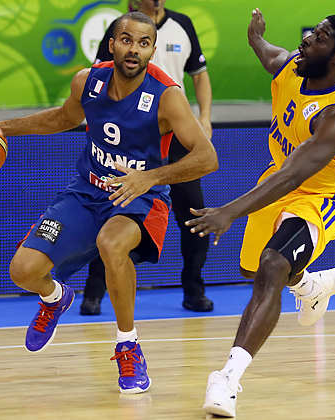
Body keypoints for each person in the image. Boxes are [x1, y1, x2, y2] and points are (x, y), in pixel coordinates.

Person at [0, 11, 217, 394]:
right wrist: (0, 128)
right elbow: (62, 118)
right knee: (23, 271)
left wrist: (149, 178)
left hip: (139, 198)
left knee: (111, 244)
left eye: (144, 43)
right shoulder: (87, 81)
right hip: (87, 191)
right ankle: (55, 298)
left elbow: (207, 157)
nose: (134, 49)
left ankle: (128, 346)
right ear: (112, 45)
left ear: (152, 50)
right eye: (127, 40)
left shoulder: (167, 96)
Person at [186, 9, 335, 417]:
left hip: (320, 196)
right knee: (254, 271)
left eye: (320, 37)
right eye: (313, 31)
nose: (308, 39)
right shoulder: (292, 67)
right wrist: (256, 36)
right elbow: (269, 54)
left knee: (272, 266)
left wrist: (228, 212)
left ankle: (227, 378)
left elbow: (294, 176)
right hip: (279, 179)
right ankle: (310, 285)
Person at [80, 0, 215, 316]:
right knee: (111, 209)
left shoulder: (183, 24)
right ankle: (94, 292)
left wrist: (205, 117)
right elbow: (98, 78)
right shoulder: (121, 29)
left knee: (194, 213)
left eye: (143, 43)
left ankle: (194, 289)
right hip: (130, 135)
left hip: (175, 132)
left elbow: (199, 75)